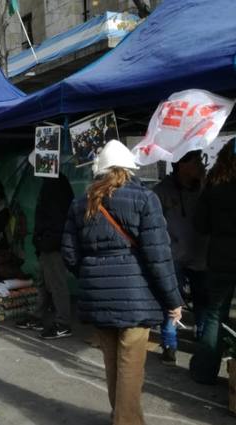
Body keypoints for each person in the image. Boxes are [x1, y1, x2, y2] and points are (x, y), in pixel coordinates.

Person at [61, 140, 183, 425]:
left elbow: (69, 252)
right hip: (135, 297)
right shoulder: (144, 199)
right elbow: (158, 256)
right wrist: (173, 301)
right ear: (129, 168)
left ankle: (123, 417)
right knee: (130, 369)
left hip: (98, 297)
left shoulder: (81, 203)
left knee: (113, 365)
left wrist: (90, 275)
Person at [153, 150, 208, 365]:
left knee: (203, 302)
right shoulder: (162, 191)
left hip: (201, 255)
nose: (202, 165)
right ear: (182, 165)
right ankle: (169, 344)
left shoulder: (205, 188)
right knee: (172, 301)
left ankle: (203, 343)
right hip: (173, 256)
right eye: (196, 161)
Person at [190, 138, 236, 385]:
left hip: (220, 256)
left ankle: (204, 371)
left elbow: (200, 225)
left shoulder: (214, 185)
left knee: (215, 314)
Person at [18, 172, 74, 339]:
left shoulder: (54, 184)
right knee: (45, 281)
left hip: (52, 243)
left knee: (56, 283)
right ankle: (39, 316)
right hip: (49, 242)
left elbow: (55, 217)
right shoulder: (54, 182)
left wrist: (45, 240)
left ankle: (63, 323)